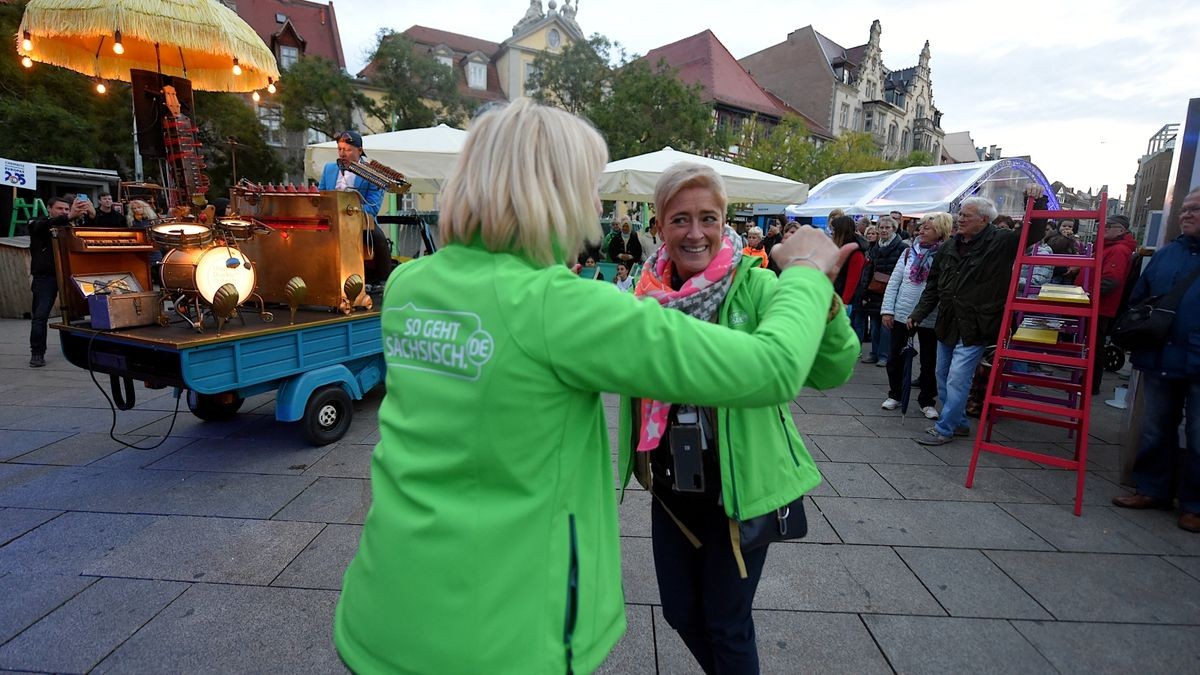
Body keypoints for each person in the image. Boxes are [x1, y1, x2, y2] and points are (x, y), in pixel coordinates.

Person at [333, 99, 857, 674]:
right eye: (585, 185)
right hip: (498, 639)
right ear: (552, 193)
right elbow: (773, 368)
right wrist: (807, 273)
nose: (591, 204)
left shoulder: (411, 285)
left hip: (384, 606)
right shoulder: (560, 306)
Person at [617, 162, 857, 674]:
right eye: (680, 219)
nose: (696, 232)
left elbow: (832, 369)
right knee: (681, 614)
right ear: (658, 226)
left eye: (709, 217)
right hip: (671, 487)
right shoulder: (643, 293)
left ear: (725, 220)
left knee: (727, 623)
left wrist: (824, 299)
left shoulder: (757, 287)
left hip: (738, 490)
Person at [909, 195, 1046, 446]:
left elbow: (1033, 233)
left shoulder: (1001, 241)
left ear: (983, 219)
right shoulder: (949, 246)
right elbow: (933, 285)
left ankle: (945, 428)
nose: (959, 219)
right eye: (959, 214)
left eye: (966, 215)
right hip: (949, 322)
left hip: (977, 324)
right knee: (942, 376)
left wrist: (1036, 201)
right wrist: (918, 313)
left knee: (957, 378)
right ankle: (959, 422)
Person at [1112, 188, 1200, 533]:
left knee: (1198, 435)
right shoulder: (1166, 255)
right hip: (1161, 355)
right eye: (1185, 209)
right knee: (1155, 428)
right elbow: (1140, 297)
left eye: (1196, 210)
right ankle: (1152, 489)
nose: (1187, 214)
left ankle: (1194, 505)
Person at [880, 212, 951, 418]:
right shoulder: (908, 252)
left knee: (929, 362)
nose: (920, 231)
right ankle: (895, 394)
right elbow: (894, 282)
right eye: (921, 227)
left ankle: (927, 400)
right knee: (895, 357)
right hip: (903, 312)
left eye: (926, 228)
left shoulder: (945, 254)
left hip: (931, 316)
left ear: (940, 231)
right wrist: (888, 310)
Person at [318, 130, 390, 285]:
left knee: (378, 238)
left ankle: (382, 279)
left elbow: (373, 207)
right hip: (330, 221)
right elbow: (320, 196)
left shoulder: (373, 173)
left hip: (359, 222)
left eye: (348, 150)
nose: (343, 153)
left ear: (360, 150)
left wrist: (347, 212)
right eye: (340, 149)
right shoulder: (329, 168)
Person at [28, 196, 90, 367]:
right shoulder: (37, 222)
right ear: (49, 208)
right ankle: (37, 353)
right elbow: (40, 227)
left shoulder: (71, 224)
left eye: (66, 209)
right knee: (40, 316)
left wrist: (90, 214)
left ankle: (80, 350)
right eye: (59, 209)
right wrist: (68, 217)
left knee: (78, 314)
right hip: (45, 277)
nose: (63, 212)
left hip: (70, 275)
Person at [1092, 215, 1137, 395]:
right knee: (1094, 344)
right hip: (1099, 305)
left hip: (1100, 307)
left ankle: (1091, 384)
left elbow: (1111, 280)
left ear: (1121, 230)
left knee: (1095, 345)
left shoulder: (1118, 250)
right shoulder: (1111, 247)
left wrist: (1087, 296)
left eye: (1108, 226)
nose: (1104, 229)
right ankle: (1089, 382)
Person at [857, 216, 904, 366]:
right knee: (875, 325)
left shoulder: (902, 247)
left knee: (886, 326)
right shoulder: (875, 247)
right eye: (881, 227)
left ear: (894, 229)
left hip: (890, 291)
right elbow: (868, 270)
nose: (883, 230)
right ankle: (874, 353)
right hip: (875, 290)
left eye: (887, 227)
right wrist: (865, 291)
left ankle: (884, 355)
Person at [831, 215, 867, 340]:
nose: (832, 233)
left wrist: (845, 302)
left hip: (846, 300)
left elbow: (853, 279)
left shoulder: (856, 251)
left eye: (834, 230)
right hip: (836, 295)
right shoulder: (840, 247)